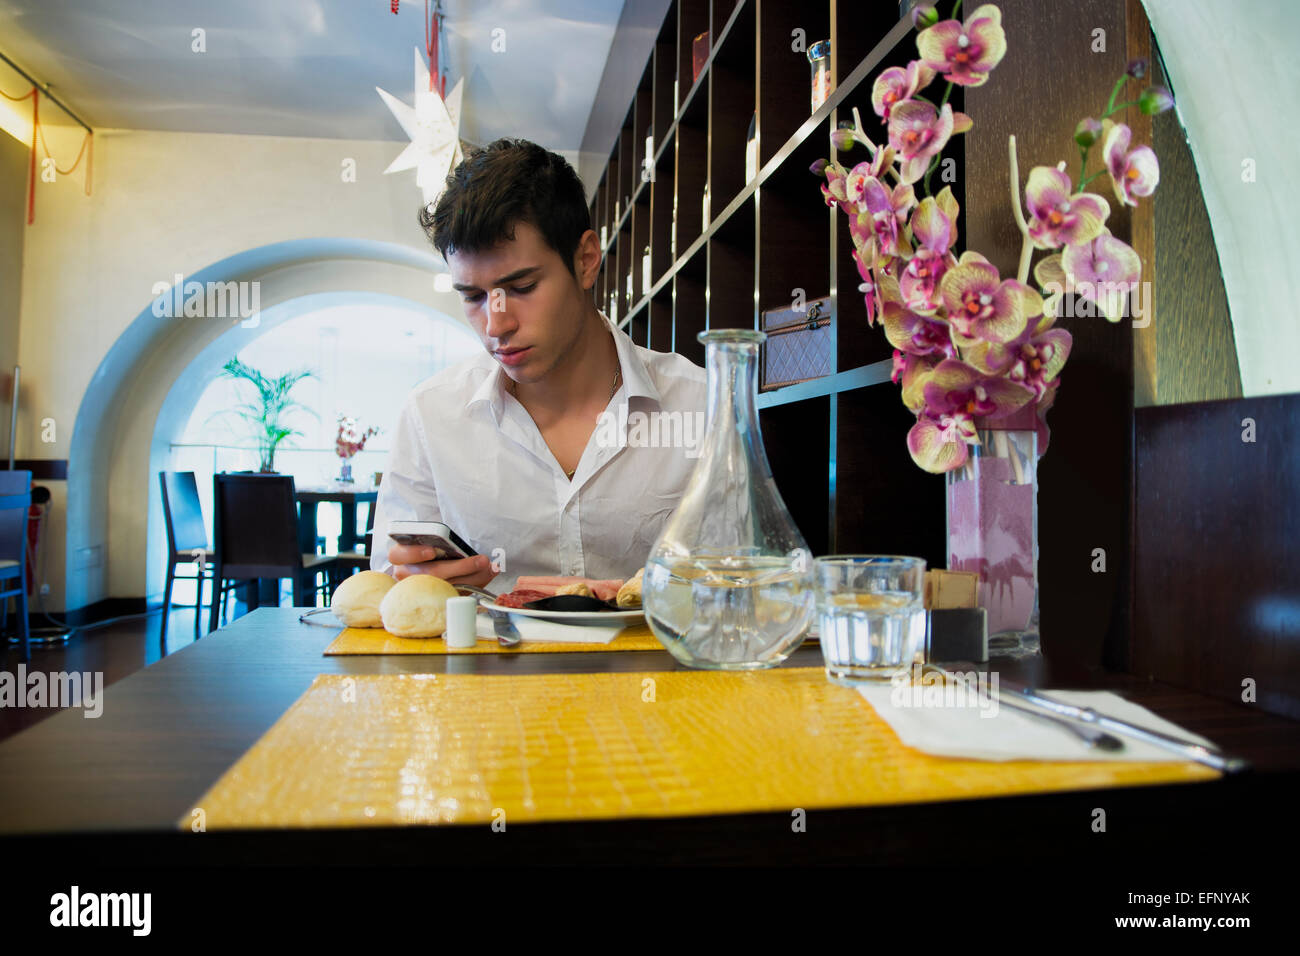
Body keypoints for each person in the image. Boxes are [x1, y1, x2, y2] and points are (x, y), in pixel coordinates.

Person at [371, 138, 706, 592]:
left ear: (586, 261)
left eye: (523, 286)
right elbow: (388, 586)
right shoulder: (430, 416)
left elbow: (747, 589)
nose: (496, 323)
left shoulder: (700, 404)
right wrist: (410, 580)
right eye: (471, 297)